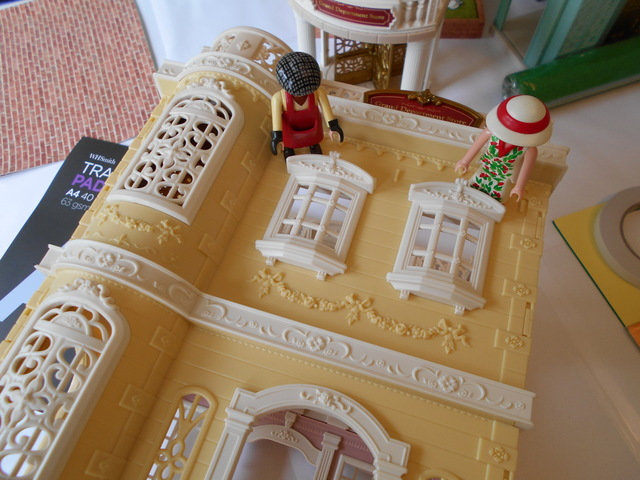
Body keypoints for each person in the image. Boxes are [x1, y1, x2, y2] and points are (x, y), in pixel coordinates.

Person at [455, 95, 552, 202]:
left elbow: (526, 169)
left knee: (497, 199)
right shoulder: (490, 133)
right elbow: (476, 146)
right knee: (471, 190)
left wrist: (519, 187)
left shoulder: (529, 150)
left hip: (504, 177)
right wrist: (464, 161)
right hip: (485, 169)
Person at [271, 52, 344, 160]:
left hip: (312, 124)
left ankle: (313, 145)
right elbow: (276, 117)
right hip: (290, 127)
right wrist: (277, 136)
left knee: (313, 139)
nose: (303, 93)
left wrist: (333, 126)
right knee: (290, 141)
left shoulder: (318, 92)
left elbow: (326, 109)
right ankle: (288, 149)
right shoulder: (278, 98)